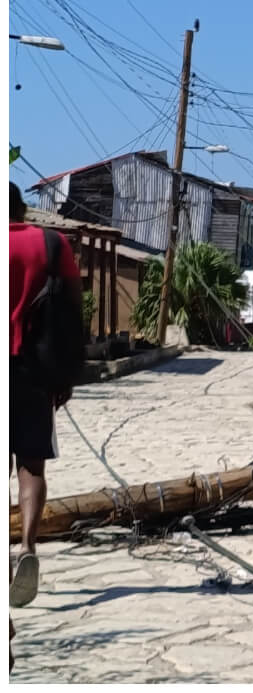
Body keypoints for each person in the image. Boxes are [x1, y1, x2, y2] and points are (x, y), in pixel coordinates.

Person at [9, 182, 82, 610]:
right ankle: (27, 547)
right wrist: (67, 375)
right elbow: (72, 310)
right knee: (31, 465)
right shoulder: (53, 245)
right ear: (22, 210)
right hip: (35, 369)